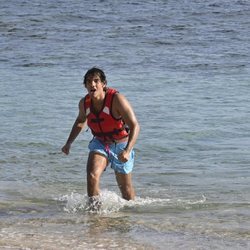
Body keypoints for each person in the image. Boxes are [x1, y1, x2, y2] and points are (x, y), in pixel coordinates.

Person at [61, 67, 140, 203]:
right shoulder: (84, 103)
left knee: (126, 192)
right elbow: (80, 121)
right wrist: (68, 143)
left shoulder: (116, 100)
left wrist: (127, 150)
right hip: (100, 143)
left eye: (96, 81)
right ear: (85, 85)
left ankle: (130, 217)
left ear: (103, 84)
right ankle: (94, 215)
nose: (92, 84)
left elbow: (135, 126)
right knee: (92, 176)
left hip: (121, 144)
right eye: (89, 81)